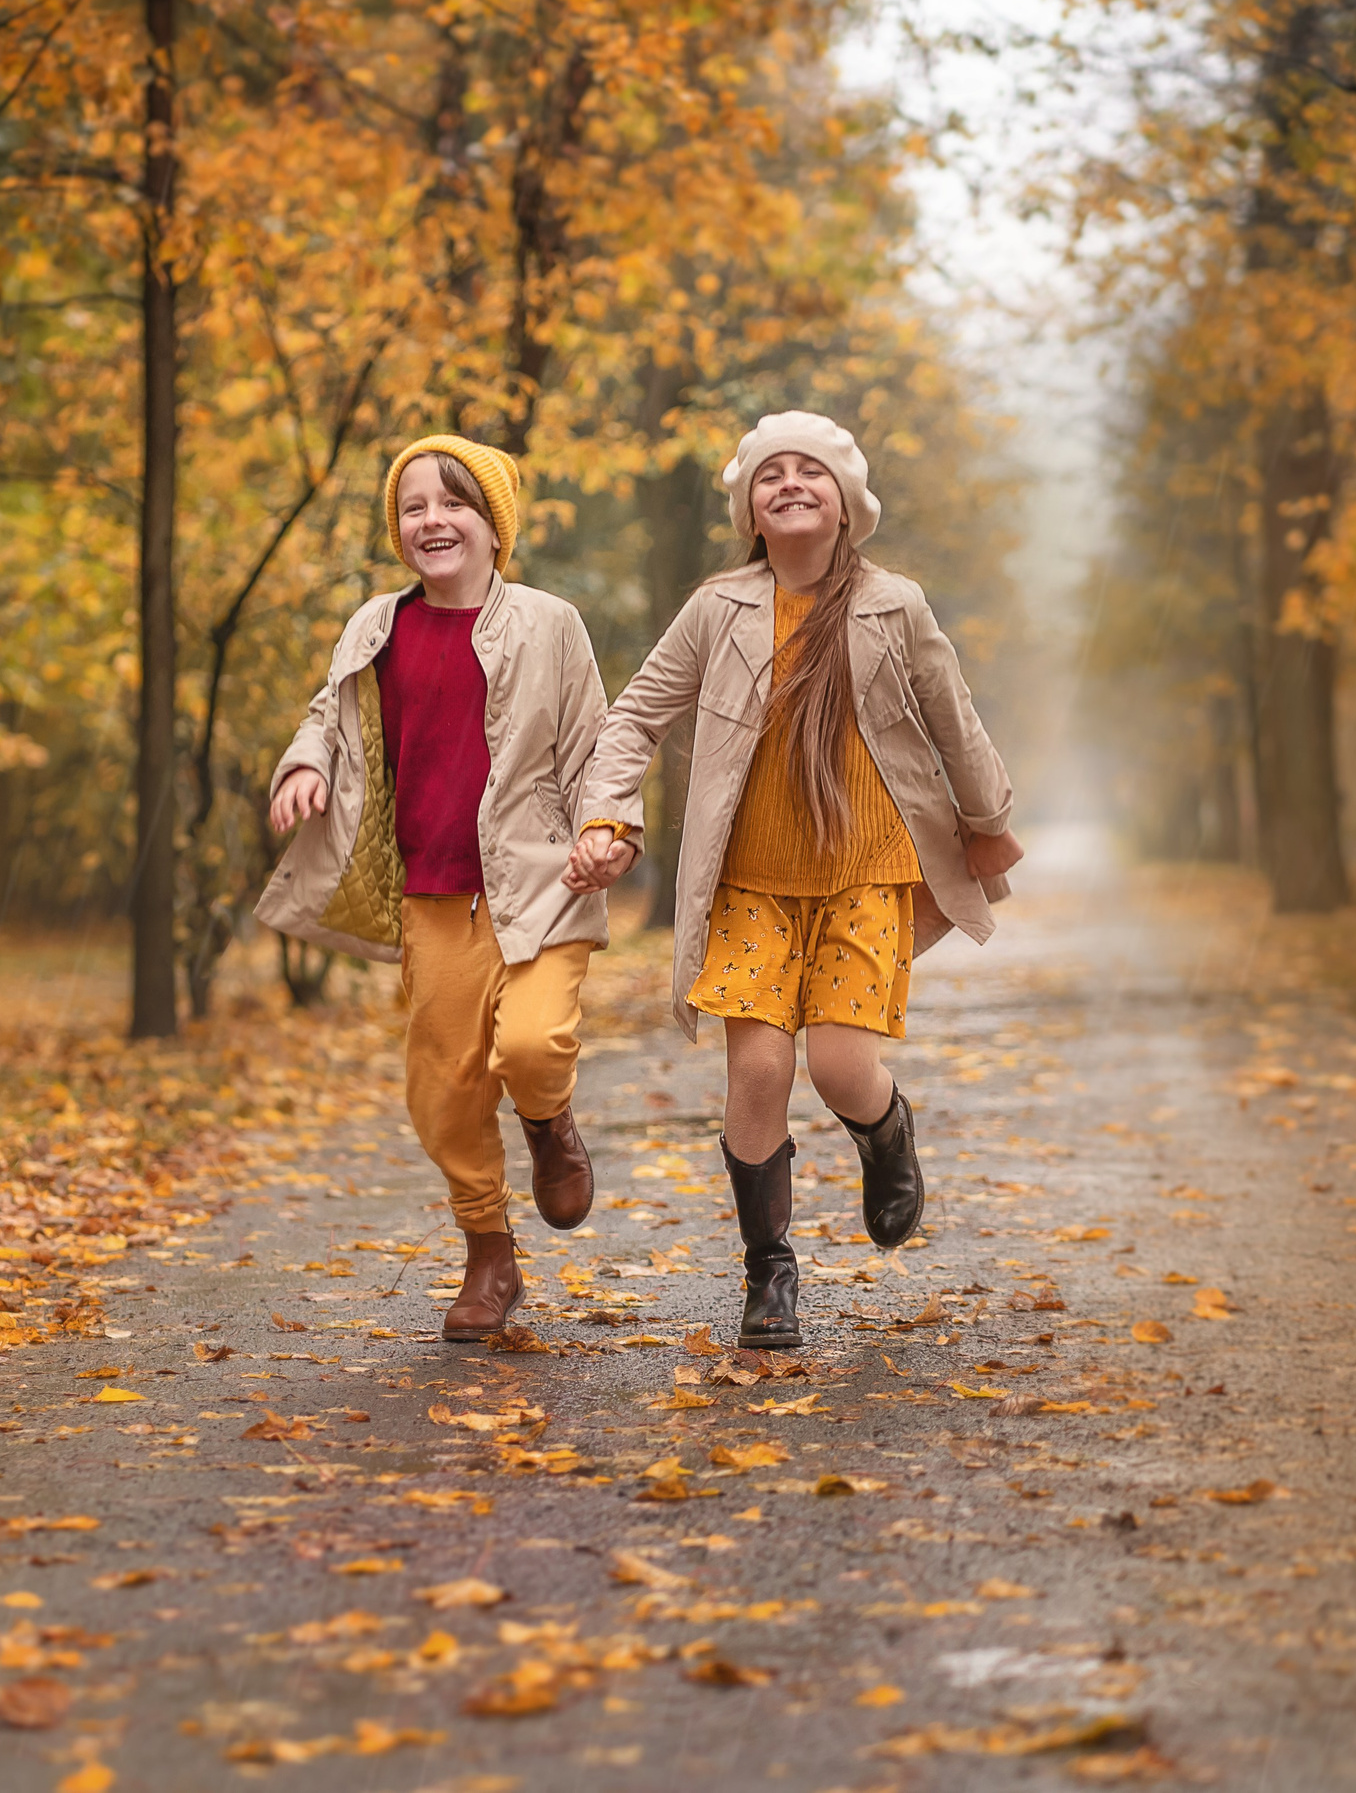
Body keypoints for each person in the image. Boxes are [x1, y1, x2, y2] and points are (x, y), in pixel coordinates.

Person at [563, 412, 1021, 1349]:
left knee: (842, 1066)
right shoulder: (717, 610)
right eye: (771, 474)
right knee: (762, 1071)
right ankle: (769, 1273)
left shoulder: (895, 605)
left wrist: (988, 821)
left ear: (847, 504)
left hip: (864, 868)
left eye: (813, 470)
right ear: (751, 512)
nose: (792, 483)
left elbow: (953, 719)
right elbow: (635, 715)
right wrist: (609, 812)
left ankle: (884, 1132)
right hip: (752, 880)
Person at [258, 436, 608, 1340]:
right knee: (442, 1091)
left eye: (453, 503)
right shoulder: (378, 624)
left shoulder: (549, 622)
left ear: (495, 526)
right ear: (398, 529)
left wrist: (606, 830)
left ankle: (547, 1122)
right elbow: (325, 717)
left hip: (538, 882)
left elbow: (595, 746)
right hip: (432, 890)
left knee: (533, 1044)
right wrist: (304, 765)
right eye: (414, 507)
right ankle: (489, 1252)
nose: (432, 520)